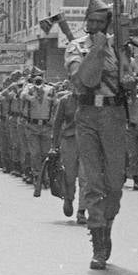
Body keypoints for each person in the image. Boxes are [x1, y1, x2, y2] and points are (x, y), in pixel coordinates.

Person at [66, 0, 131, 270]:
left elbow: (128, 79)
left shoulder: (119, 48)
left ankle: (108, 225)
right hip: (88, 115)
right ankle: (98, 239)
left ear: (107, 23)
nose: (93, 27)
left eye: (99, 22)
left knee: (115, 182)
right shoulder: (76, 47)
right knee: (93, 180)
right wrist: (99, 48)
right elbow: (84, 80)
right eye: (90, 21)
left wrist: (126, 69)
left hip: (114, 116)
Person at [49, 83, 83, 223]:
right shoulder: (65, 101)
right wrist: (54, 146)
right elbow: (57, 124)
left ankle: (82, 210)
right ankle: (68, 198)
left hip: (88, 142)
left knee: (85, 177)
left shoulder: (93, 99)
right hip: (69, 141)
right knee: (69, 176)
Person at [21, 68, 54, 193]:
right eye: (35, 76)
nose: (38, 79)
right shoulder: (28, 88)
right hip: (32, 126)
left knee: (46, 153)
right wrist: (32, 91)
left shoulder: (50, 89)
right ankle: (37, 176)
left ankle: (45, 175)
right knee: (35, 153)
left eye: (40, 76)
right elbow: (22, 96)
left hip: (46, 126)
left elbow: (55, 103)